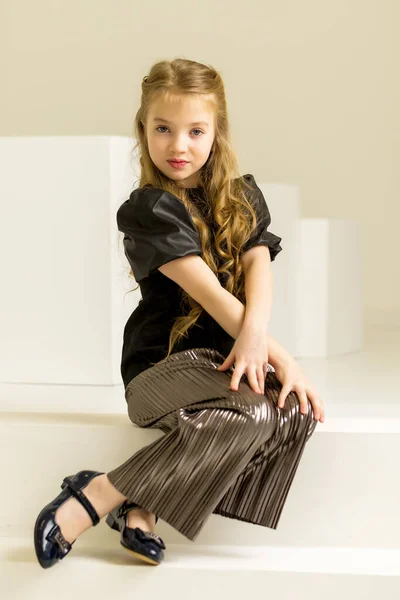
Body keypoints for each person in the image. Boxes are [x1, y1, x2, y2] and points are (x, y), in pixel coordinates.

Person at [34, 58, 325, 569]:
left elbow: (259, 268)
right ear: (143, 129)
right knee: (257, 410)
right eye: (162, 129)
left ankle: (144, 505)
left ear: (217, 133)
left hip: (222, 360)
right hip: (160, 370)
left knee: (287, 414)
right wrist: (281, 358)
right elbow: (211, 294)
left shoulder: (242, 196)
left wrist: (264, 343)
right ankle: (98, 494)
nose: (178, 145)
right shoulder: (149, 210)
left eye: (195, 130)